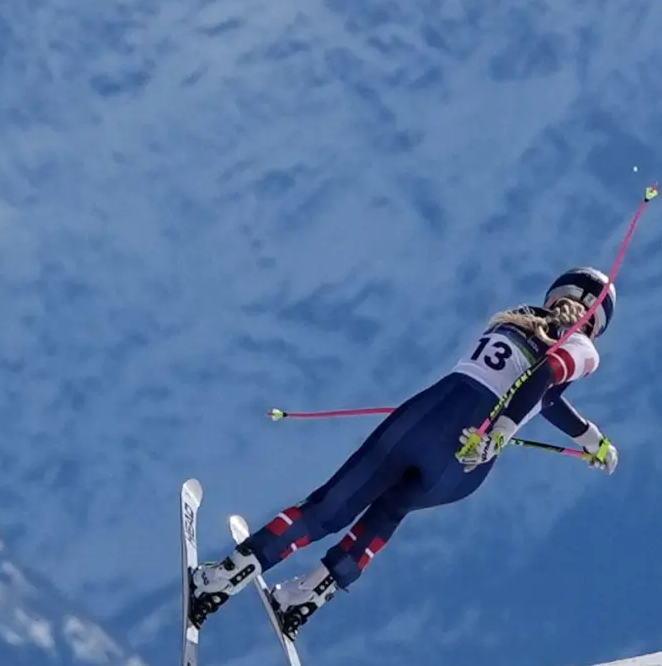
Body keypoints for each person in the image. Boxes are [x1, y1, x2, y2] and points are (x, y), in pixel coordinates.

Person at [188, 267, 620, 638]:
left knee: (330, 509)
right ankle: (307, 596)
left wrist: (573, 435)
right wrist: (581, 439)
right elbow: (544, 385)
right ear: (597, 322)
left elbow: (541, 382)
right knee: (391, 511)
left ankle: (223, 579)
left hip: (432, 417)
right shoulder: (583, 348)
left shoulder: (520, 318)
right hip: (468, 464)